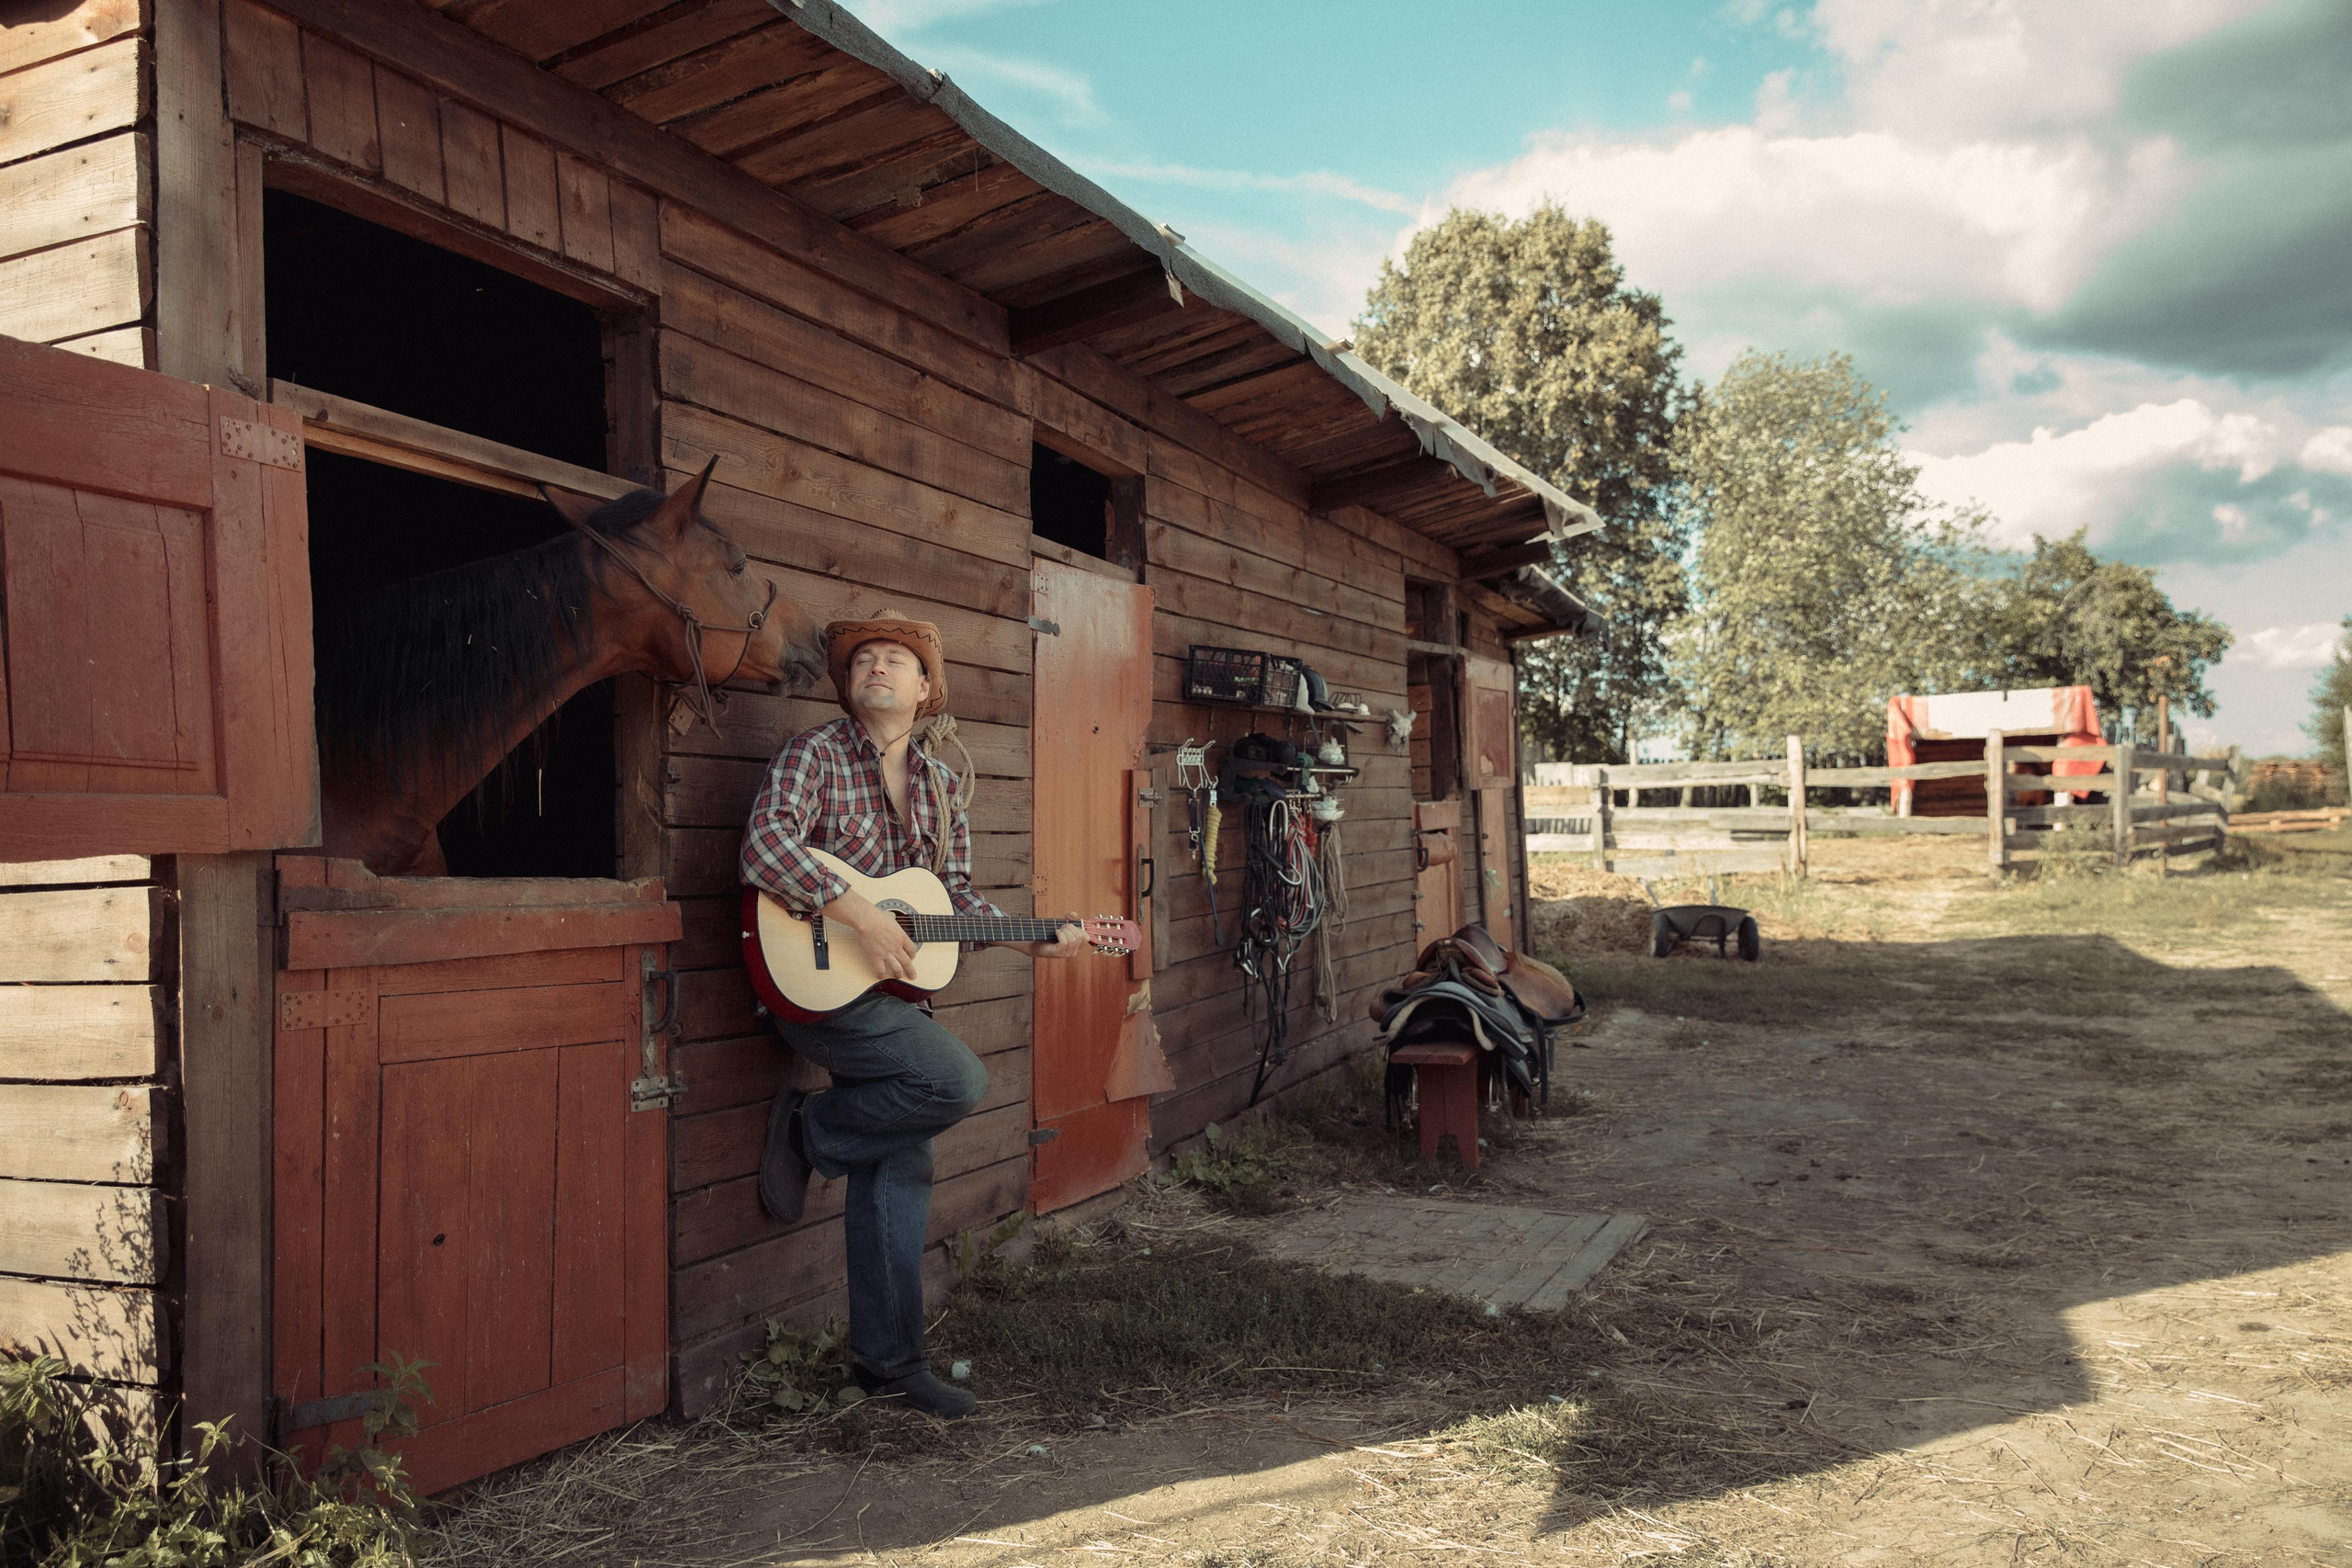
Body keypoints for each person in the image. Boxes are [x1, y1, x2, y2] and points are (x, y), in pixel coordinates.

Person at [739, 610, 1086, 1421]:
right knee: (955, 1077)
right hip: (809, 987)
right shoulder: (813, 755)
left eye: (898, 660)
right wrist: (861, 912)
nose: (878, 668)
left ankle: (888, 1366)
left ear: (927, 690)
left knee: (903, 1158)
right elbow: (764, 845)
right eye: (864, 660)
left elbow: (951, 898)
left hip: (891, 996)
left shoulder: (938, 787)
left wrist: (1026, 939)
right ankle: (811, 1131)